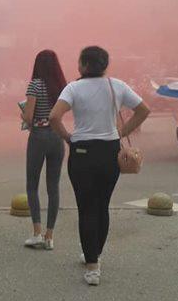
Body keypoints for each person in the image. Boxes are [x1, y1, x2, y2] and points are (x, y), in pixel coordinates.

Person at [50, 46, 150, 286]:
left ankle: (92, 266)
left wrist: (68, 138)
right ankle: (94, 255)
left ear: (83, 65)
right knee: (102, 204)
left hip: (82, 152)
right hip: (109, 151)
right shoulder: (117, 85)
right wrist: (120, 132)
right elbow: (143, 110)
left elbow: (54, 117)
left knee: (86, 208)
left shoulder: (73, 88)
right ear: (104, 65)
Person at [21, 50, 67, 250]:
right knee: (53, 186)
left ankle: (36, 232)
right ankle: (50, 236)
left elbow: (29, 116)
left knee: (32, 185)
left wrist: (23, 115)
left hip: (38, 137)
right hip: (57, 137)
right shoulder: (61, 87)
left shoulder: (35, 85)